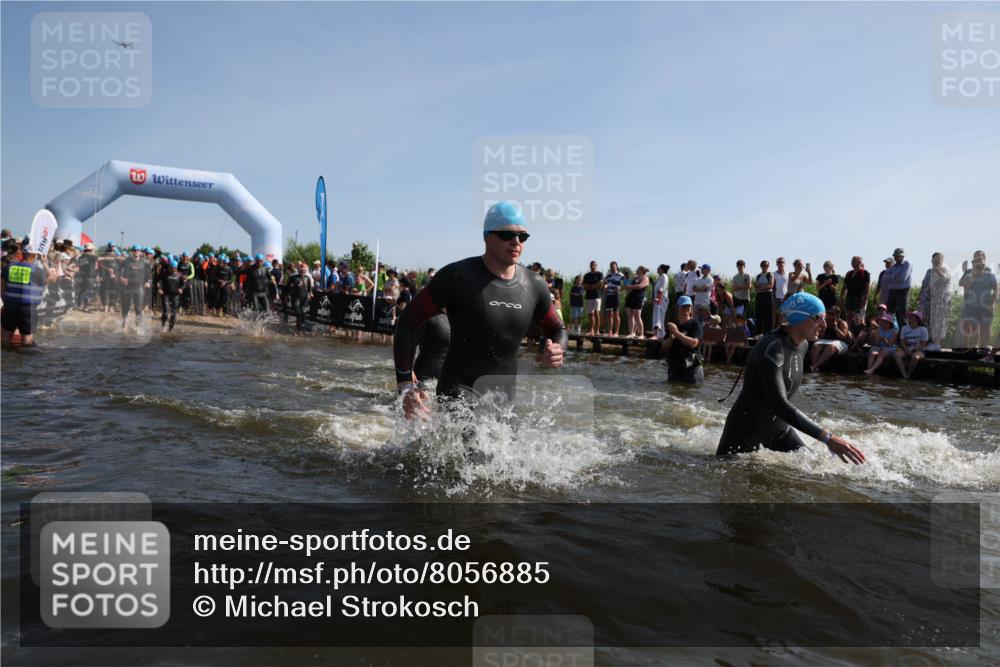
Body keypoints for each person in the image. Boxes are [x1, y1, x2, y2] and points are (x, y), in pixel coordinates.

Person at [392, 201, 566, 418]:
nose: (516, 241)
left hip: (503, 400)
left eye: (523, 236)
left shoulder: (534, 285)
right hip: (458, 392)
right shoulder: (458, 276)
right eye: (506, 234)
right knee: (474, 443)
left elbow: (558, 328)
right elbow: (408, 321)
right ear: (487, 236)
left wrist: (557, 349)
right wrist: (406, 384)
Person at [716, 293, 866, 464]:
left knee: (814, 472)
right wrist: (828, 438)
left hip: (779, 430)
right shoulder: (772, 348)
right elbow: (779, 404)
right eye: (818, 318)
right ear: (798, 317)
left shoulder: (802, 345)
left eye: (824, 318)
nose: (824, 324)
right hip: (744, 434)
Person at [1, 244, 54, 347]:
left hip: (10, 306)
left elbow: (1, 287)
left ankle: (6, 358)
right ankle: (26, 361)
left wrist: (6, 301)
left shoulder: (9, 267)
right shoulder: (36, 270)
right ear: (34, 255)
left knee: (6, 336)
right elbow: (52, 278)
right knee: (27, 338)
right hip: (27, 308)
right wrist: (45, 263)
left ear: (22, 254)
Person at [958, 250, 996, 349]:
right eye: (975, 257)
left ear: (984, 259)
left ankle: (980, 345)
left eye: (979, 257)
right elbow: (961, 283)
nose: (976, 259)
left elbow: (990, 284)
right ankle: (966, 344)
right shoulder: (969, 271)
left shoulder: (988, 270)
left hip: (984, 302)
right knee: (968, 323)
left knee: (982, 325)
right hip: (969, 302)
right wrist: (965, 271)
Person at [662, 295, 704, 384]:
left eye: (688, 306)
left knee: (689, 392)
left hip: (691, 367)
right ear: (678, 307)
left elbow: (694, 343)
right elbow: (664, 347)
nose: (686, 308)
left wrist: (677, 333)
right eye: (683, 306)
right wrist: (671, 338)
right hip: (675, 367)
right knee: (673, 391)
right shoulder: (673, 325)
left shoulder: (695, 324)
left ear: (691, 308)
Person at [917, 252, 951, 349]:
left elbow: (946, 280)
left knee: (937, 322)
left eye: (939, 260)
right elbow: (924, 284)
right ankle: (927, 342)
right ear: (931, 260)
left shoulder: (945, 270)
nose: (936, 262)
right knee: (926, 321)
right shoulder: (929, 271)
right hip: (926, 301)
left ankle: (936, 344)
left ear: (942, 261)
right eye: (935, 260)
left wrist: (938, 271)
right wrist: (919, 297)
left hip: (939, 302)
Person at [809, 306, 852, 372]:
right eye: (828, 313)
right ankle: (815, 367)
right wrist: (824, 327)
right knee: (815, 345)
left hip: (840, 342)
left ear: (837, 314)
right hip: (825, 341)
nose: (828, 315)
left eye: (831, 313)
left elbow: (843, 337)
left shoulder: (842, 323)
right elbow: (821, 336)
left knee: (830, 346)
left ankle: (815, 366)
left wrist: (836, 328)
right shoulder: (825, 321)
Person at [119, 245, 150, 329]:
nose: (136, 251)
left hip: (139, 288)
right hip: (127, 287)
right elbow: (117, 270)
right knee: (126, 306)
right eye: (134, 250)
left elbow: (148, 274)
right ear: (132, 251)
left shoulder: (144, 262)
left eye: (138, 250)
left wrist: (148, 281)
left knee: (138, 308)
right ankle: (124, 322)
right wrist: (121, 278)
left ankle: (138, 327)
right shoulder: (126, 261)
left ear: (140, 252)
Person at [895, 311, 929, 379]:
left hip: (919, 350)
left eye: (912, 316)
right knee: (896, 355)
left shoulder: (923, 329)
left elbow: (924, 344)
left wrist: (914, 350)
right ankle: (903, 373)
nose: (909, 317)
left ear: (917, 319)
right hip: (906, 349)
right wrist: (906, 349)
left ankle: (908, 374)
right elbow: (902, 342)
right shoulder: (904, 328)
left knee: (915, 357)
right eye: (910, 316)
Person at [883, 248, 912, 327]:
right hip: (893, 291)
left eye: (897, 256)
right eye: (895, 256)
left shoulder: (907, 264)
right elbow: (885, 276)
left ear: (902, 256)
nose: (895, 257)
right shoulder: (894, 266)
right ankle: (891, 331)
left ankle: (902, 335)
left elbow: (902, 278)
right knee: (889, 313)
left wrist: (892, 277)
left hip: (903, 291)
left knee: (902, 313)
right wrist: (895, 276)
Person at [283, 262, 314, 334]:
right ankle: (298, 329)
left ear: (306, 271)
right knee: (298, 313)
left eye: (304, 271)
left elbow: (310, 288)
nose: (302, 272)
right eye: (301, 270)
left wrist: (310, 293)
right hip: (295, 298)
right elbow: (287, 288)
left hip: (304, 298)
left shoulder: (308, 278)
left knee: (303, 314)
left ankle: (300, 328)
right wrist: (286, 296)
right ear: (298, 270)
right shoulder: (293, 278)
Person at [840, 256, 871, 322]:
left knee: (858, 316)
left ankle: (859, 330)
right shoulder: (849, 273)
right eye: (852, 261)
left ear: (859, 262)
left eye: (854, 261)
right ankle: (849, 330)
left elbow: (867, 287)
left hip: (859, 298)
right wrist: (841, 298)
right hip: (849, 297)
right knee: (848, 315)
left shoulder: (865, 273)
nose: (852, 263)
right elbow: (844, 287)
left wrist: (865, 299)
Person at [157, 260, 185, 331]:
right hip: (165, 294)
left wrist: (181, 289)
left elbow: (184, 284)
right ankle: (163, 326)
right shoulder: (164, 273)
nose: (173, 269)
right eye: (172, 268)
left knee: (174, 313)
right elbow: (156, 280)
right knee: (166, 311)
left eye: (175, 268)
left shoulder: (179, 274)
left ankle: (170, 329)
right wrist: (159, 288)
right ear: (169, 267)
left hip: (175, 295)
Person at [624, 266, 649, 338]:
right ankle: (631, 333)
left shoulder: (645, 278)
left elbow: (640, 286)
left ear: (641, 270)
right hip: (630, 298)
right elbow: (630, 288)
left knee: (637, 316)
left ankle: (641, 334)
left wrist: (629, 287)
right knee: (630, 316)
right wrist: (627, 292)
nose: (636, 270)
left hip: (639, 298)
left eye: (637, 269)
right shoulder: (635, 278)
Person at [74, 242, 99, 311]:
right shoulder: (92, 257)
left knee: (82, 291)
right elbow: (98, 258)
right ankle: (86, 306)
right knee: (88, 291)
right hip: (89, 276)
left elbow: (78, 265)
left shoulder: (81, 257)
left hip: (81, 276)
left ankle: (79, 304)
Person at [753, 260, 775, 335]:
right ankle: (758, 333)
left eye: (767, 265)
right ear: (761, 266)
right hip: (759, 296)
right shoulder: (758, 276)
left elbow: (770, 285)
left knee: (769, 315)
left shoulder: (770, 274)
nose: (765, 267)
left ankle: (768, 333)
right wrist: (763, 287)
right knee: (759, 314)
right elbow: (755, 287)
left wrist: (761, 287)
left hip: (768, 296)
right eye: (764, 265)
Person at [603, 261, 625, 336]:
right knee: (609, 314)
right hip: (608, 295)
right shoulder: (608, 276)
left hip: (616, 296)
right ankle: (610, 331)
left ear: (616, 266)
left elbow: (626, 284)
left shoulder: (621, 275)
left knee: (616, 314)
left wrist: (619, 289)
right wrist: (605, 287)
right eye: (611, 266)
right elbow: (604, 283)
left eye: (613, 266)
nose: (612, 267)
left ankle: (617, 332)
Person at [651, 264, 670, 339]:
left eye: (658, 268)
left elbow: (661, 289)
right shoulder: (660, 277)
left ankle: (656, 335)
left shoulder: (664, 276)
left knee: (658, 316)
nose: (657, 269)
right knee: (659, 317)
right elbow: (655, 286)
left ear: (662, 269)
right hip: (659, 299)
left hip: (661, 300)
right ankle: (661, 335)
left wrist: (658, 299)